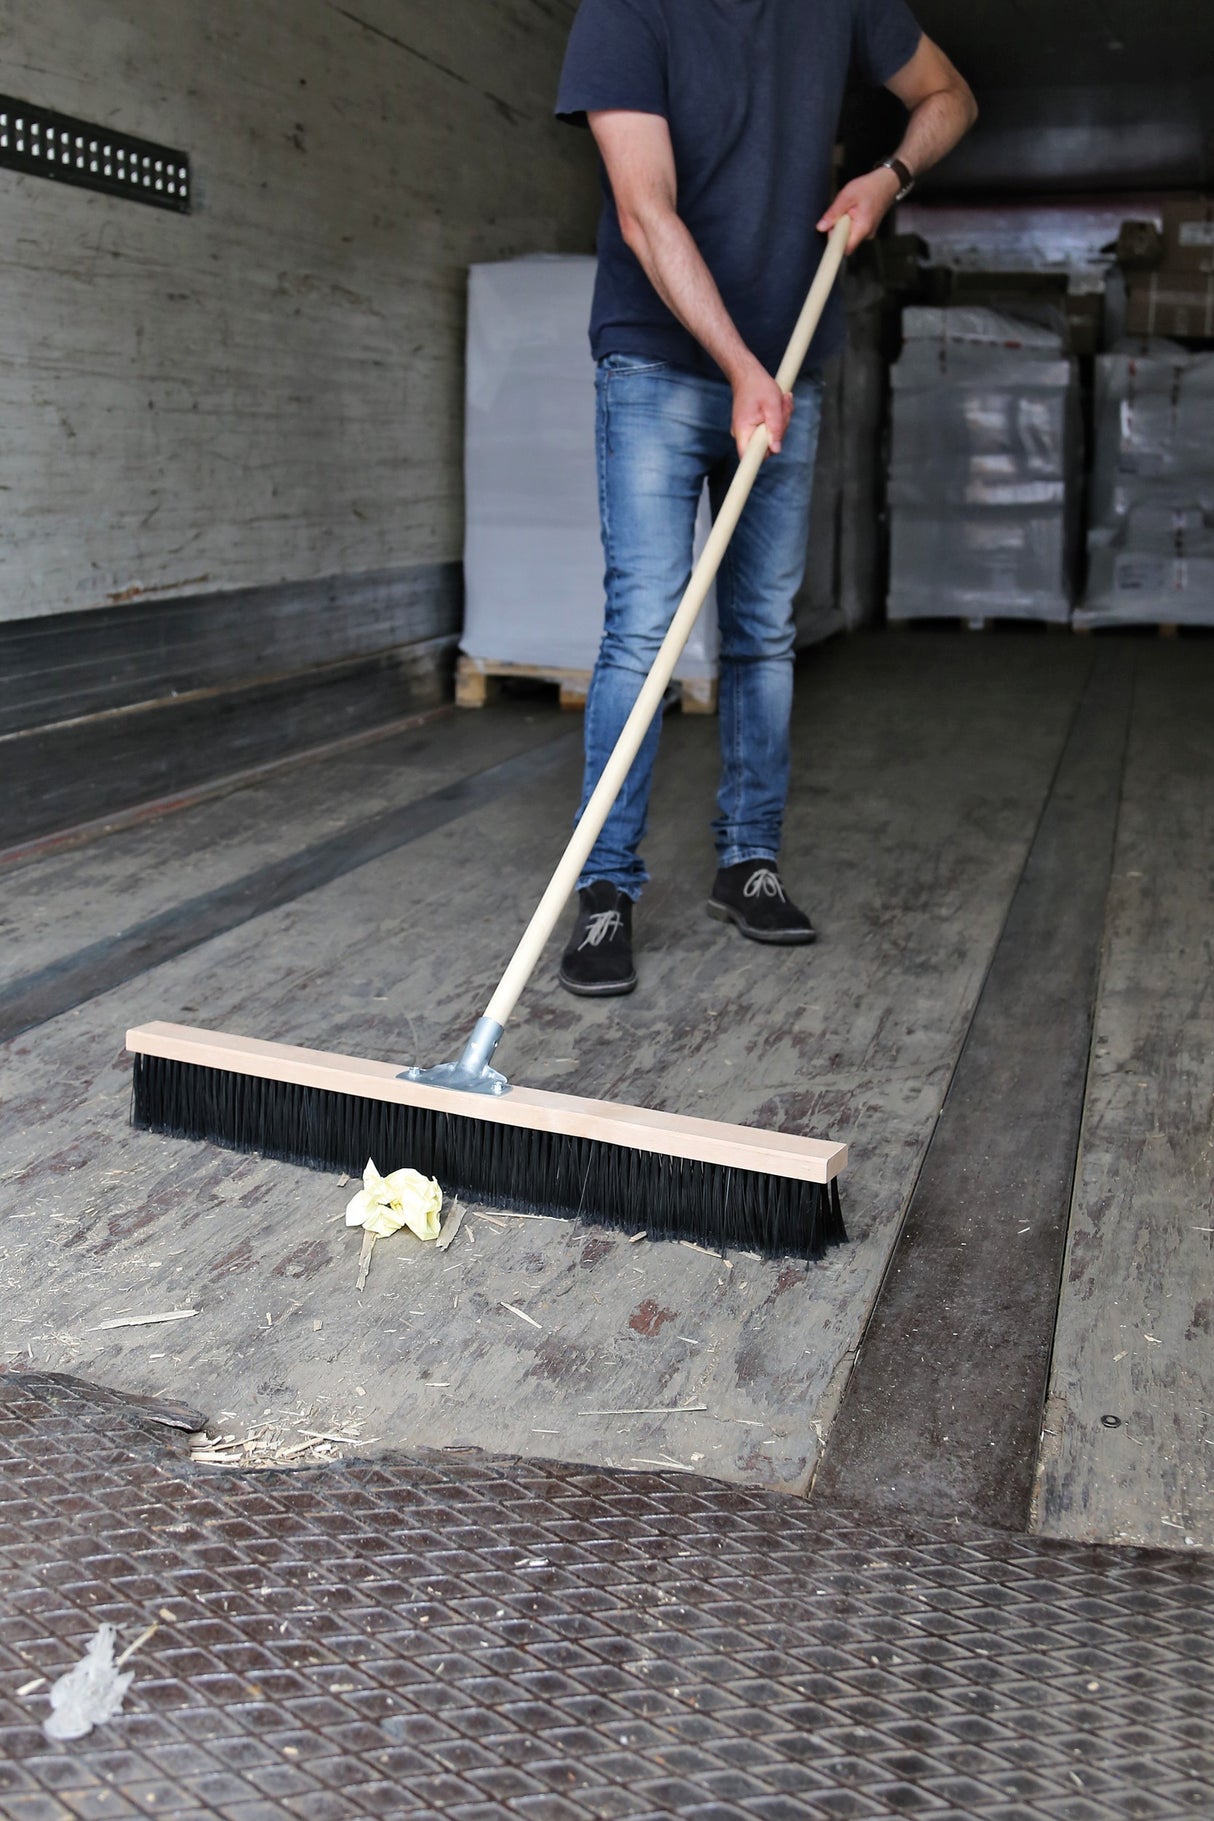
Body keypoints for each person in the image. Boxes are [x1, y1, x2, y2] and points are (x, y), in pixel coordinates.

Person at [553, 0, 976, 996]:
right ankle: (604, 889)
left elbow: (947, 97)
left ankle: (747, 862)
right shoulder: (625, 12)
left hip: (791, 365)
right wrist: (741, 368)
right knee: (643, 633)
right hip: (657, 365)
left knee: (760, 631)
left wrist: (887, 175)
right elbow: (642, 208)